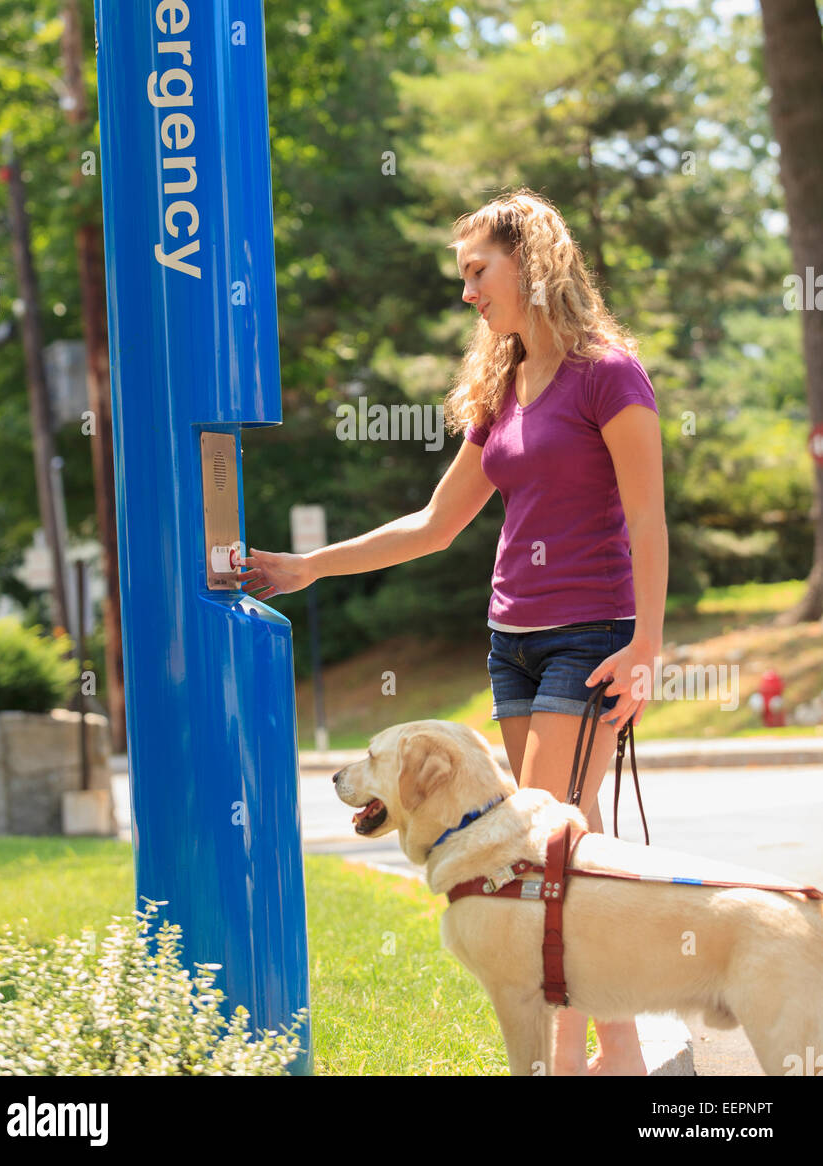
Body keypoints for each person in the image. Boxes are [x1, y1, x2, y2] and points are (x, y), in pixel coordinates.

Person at [237, 187, 668, 1077]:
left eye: (479, 269)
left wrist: (648, 645)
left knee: (538, 849)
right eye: (462, 275)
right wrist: (308, 567)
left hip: (590, 635)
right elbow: (435, 525)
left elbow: (650, 519)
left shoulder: (608, 375)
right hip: (512, 642)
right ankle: (619, 1047)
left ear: (532, 261)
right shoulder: (504, 388)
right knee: (564, 839)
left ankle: (572, 1058)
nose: (467, 290)